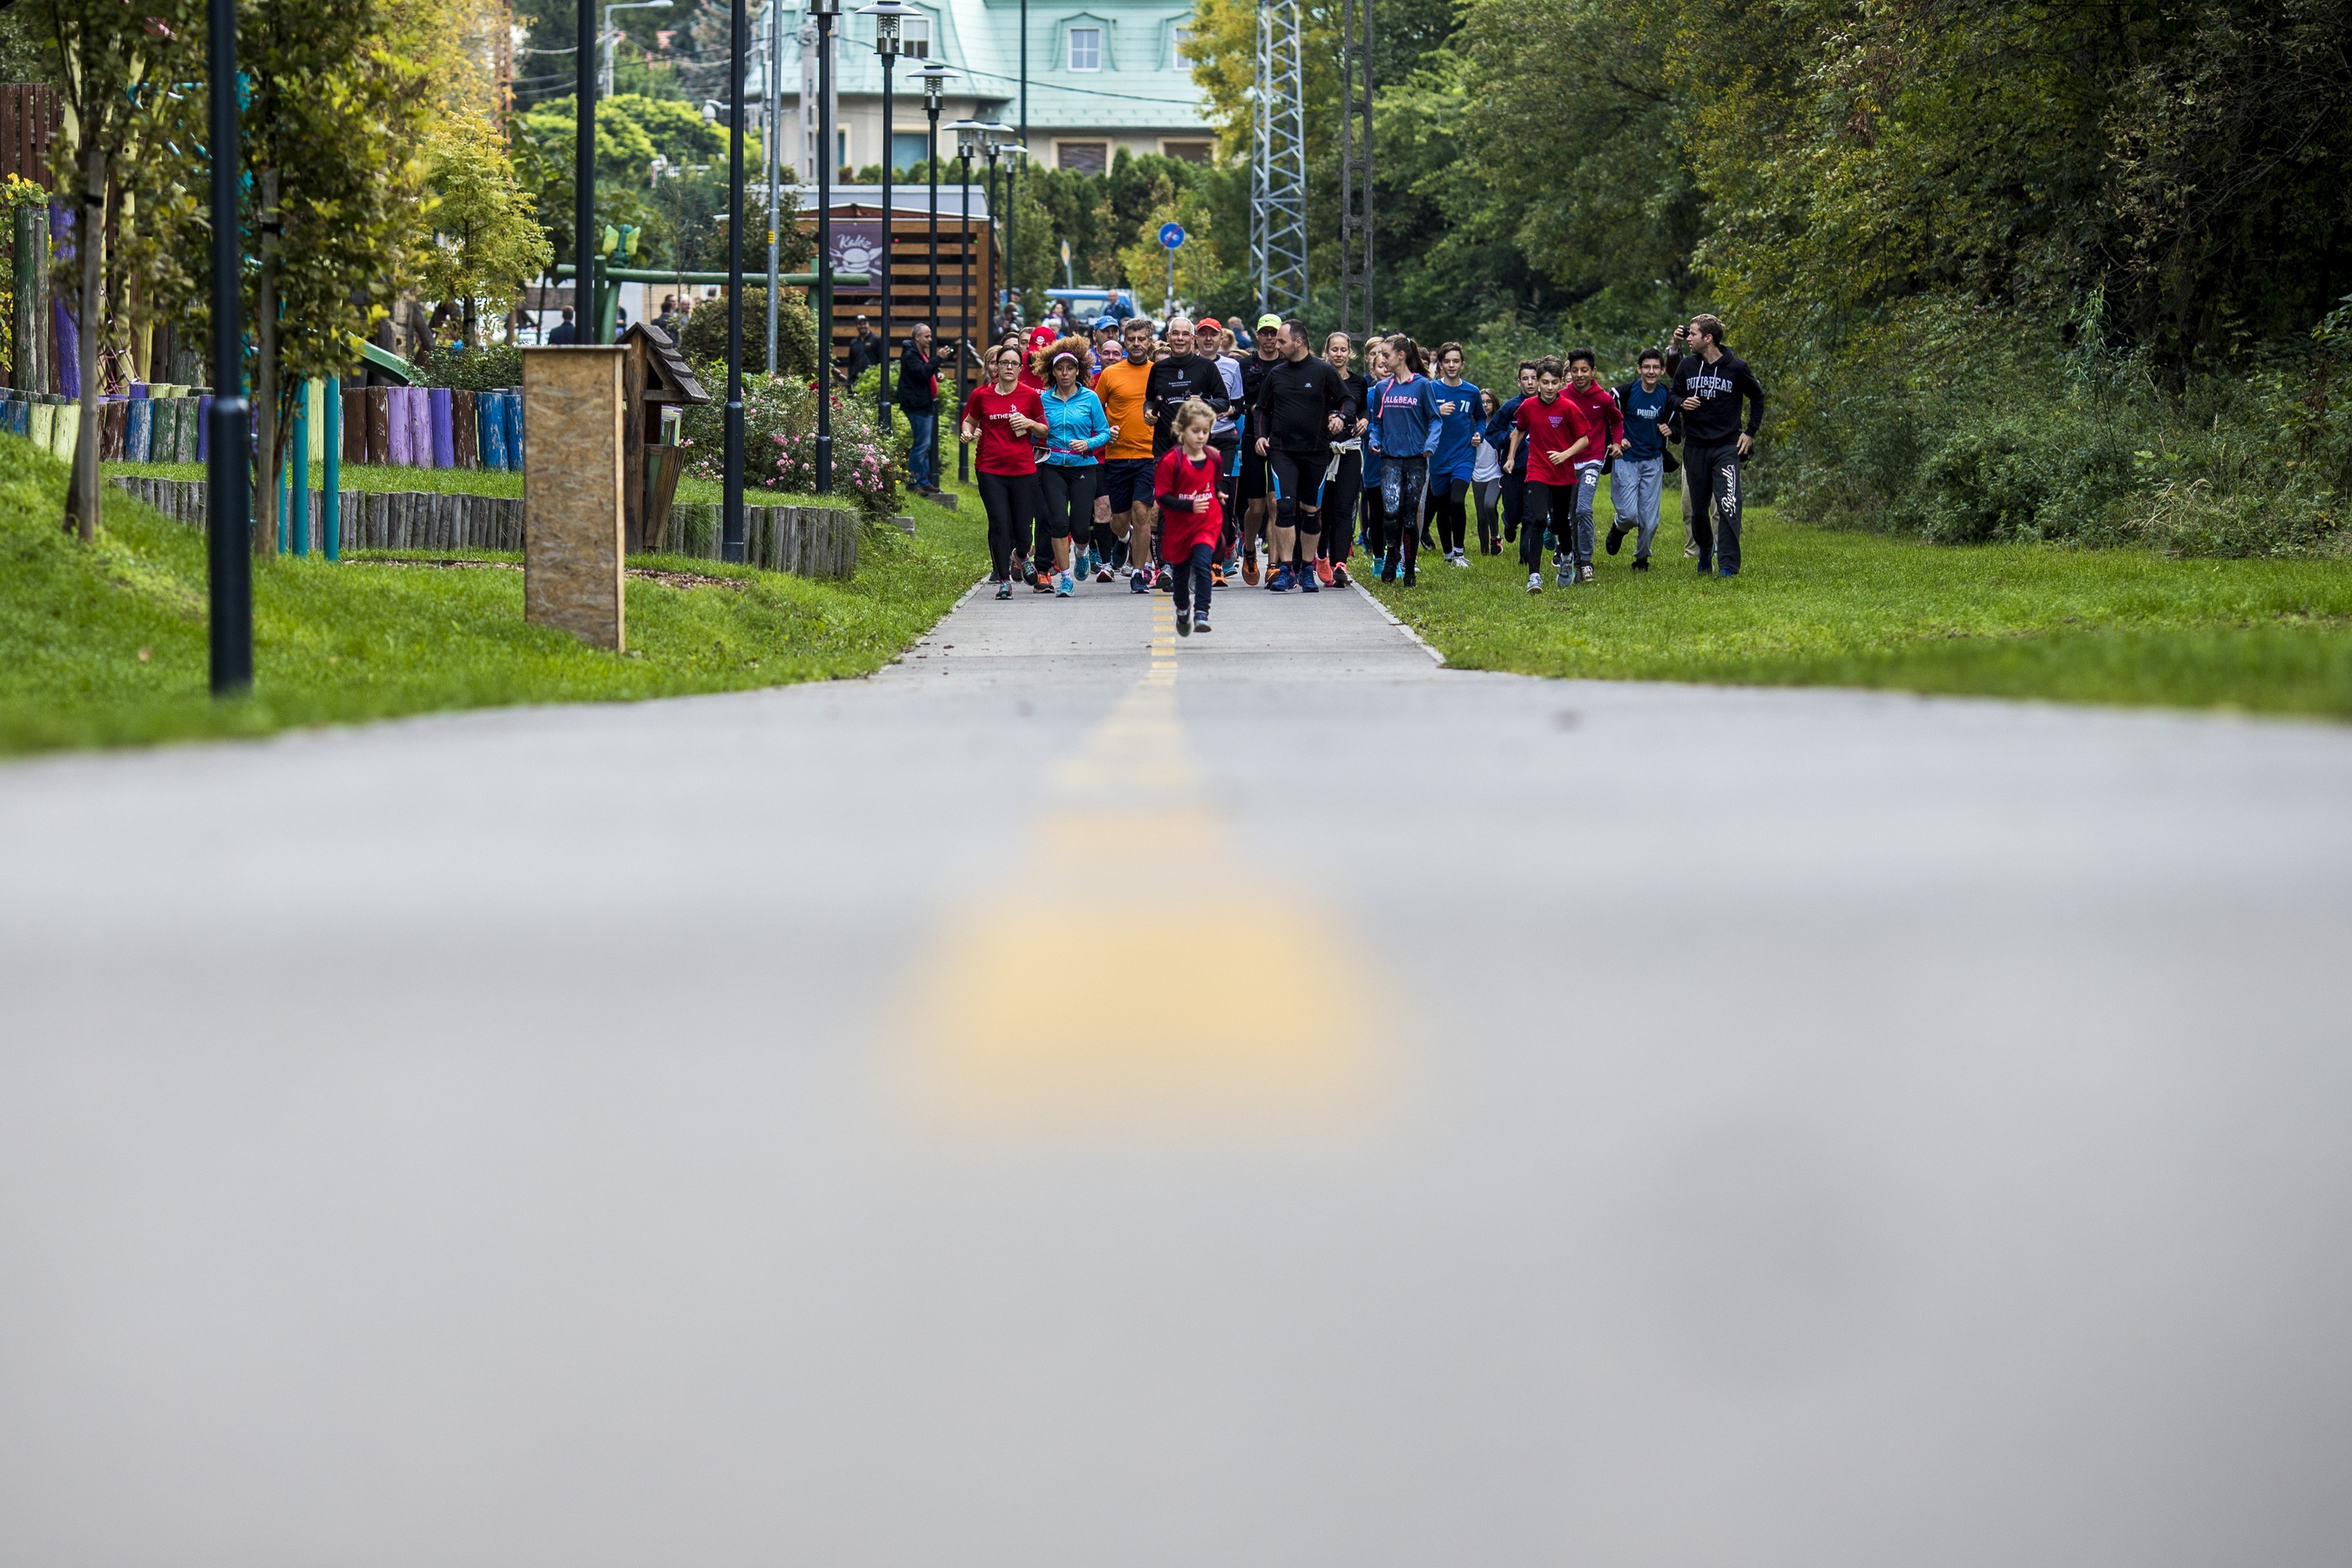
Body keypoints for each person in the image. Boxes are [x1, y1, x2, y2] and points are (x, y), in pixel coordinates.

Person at [1669, 314, 1765, 577]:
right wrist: (1681, 403)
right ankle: (1705, 549)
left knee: (1729, 504)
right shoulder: (1687, 365)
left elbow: (1757, 397)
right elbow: (1672, 394)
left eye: (1693, 334)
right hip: (1695, 447)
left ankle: (1728, 566)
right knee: (1698, 512)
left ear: (1708, 338)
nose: (1688, 338)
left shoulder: (1736, 367)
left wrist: (1750, 432)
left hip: (1725, 447)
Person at [960, 342, 1048, 599]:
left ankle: (1021, 556)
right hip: (990, 469)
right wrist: (967, 432)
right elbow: (969, 420)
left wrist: (1029, 422)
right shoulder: (981, 395)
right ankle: (1005, 582)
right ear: (996, 367)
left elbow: (1044, 429)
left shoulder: (1030, 396)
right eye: (1004, 363)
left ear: (1020, 369)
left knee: (1023, 530)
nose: (1009, 367)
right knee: (999, 524)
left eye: (1014, 363)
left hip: (1023, 470)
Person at [1504, 356, 1597, 593]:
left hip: (1563, 473)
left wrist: (1565, 455)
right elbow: (1519, 430)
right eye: (1545, 382)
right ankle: (1534, 576)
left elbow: (1584, 439)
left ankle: (1566, 559)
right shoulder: (1528, 406)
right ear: (1537, 382)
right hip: (1537, 470)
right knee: (1537, 519)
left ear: (1560, 383)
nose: (1549, 387)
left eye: (1554, 383)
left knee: (1560, 524)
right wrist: (1511, 457)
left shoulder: (1568, 408)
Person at [1035, 340, 1111, 597]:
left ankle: (1082, 551)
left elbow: (1104, 433)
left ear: (1078, 371)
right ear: (1053, 372)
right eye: (1060, 369)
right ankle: (1065, 580)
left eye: (1070, 368)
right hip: (1053, 466)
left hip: (1083, 467)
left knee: (1080, 528)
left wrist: (1088, 443)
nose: (1065, 373)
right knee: (1058, 523)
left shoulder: (1090, 397)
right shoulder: (1045, 400)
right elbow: (1036, 433)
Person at [1367, 335, 1443, 585]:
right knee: (1390, 511)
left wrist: (1430, 444)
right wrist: (1374, 440)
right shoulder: (1382, 388)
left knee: (1410, 516)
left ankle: (1409, 569)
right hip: (1389, 458)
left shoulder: (1422, 385)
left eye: (1386, 355)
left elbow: (1435, 419)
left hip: (1415, 459)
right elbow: (1377, 424)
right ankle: (1391, 554)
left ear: (1401, 356)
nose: (1382, 360)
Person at [1093, 317, 1161, 591]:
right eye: (1131, 339)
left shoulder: (1158, 372)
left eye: (1141, 339)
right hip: (1118, 456)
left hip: (1149, 455)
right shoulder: (1110, 374)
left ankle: (1138, 571)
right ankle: (1124, 539)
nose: (1136, 344)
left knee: (1142, 512)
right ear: (1124, 340)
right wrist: (1103, 432)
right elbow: (1094, 409)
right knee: (1120, 520)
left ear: (1149, 341)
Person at [1155, 397, 1224, 635]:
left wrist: (1218, 493)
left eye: (1206, 431)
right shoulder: (1170, 461)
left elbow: (1213, 482)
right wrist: (1189, 505)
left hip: (1207, 522)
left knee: (1204, 564)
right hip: (1180, 526)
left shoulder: (1214, 457)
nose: (1201, 436)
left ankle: (1202, 613)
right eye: (1195, 431)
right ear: (1181, 429)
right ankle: (1183, 610)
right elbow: (1162, 497)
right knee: (1181, 573)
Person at [1605, 347, 1675, 570]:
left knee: (1650, 520)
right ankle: (1619, 527)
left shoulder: (1667, 395)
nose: (1651, 371)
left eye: (1655, 367)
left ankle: (1642, 558)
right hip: (1627, 459)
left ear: (1662, 370)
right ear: (1639, 369)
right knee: (1629, 514)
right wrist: (1618, 439)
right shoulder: (1624, 393)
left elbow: (1678, 422)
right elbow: (1607, 419)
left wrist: (1671, 430)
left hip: (1653, 461)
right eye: (1646, 367)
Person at [1558, 348, 1623, 584]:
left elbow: (1617, 420)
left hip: (1592, 460)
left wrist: (1617, 442)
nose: (1579, 375)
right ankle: (1575, 558)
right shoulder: (1562, 396)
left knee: (1583, 509)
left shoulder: (1602, 398)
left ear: (1593, 371)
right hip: (1567, 461)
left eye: (1584, 370)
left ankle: (1586, 562)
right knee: (1570, 515)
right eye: (1574, 370)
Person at [1318, 330, 1373, 587]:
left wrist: (1365, 420)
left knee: (1344, 506)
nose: (1339, 354)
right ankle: (1321, 555)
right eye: (1334, 349)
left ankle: (1340, 563)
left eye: (1343, 350)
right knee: (1323, 509)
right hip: (1323, 451)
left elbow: (1362, 407)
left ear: (1350, 353)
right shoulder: (1319, 377)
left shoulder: (1359, 382)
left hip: (1349, 450)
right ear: (1326, 352)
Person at [1428, 344, 1483, 566]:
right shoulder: (1431, 390)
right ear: (1440, 364)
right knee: (1442, 507)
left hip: (1464, 455)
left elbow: (1480, 417)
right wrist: (1437, 411)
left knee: (1457, 500)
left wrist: (1479, 433)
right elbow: (1419, 417)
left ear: (1462, 364)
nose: (1451, 365)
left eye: (1456, 361)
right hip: (1438, 456)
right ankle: (1448, 554)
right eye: (1447, 361)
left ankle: (1460, 553)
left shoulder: (1472, 391)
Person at [1494, 362, 1537, 544]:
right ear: (1519, 382)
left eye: (1534, 378)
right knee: (1513, 514)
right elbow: (1492, 433)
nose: (1530, 382)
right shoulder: (1511, 407)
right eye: (1525, 379)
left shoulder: (1546, 406)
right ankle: (1510, 523)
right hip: (1513, 470)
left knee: (1530, 516)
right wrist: (1507, 437)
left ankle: (1526, 555)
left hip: (1535, 470)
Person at [897, 322, 941, 496]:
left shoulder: (920, 353)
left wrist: (936, 373)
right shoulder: (910, 354)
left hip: (924, 404)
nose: (930, 339)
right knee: (921, 445)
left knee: (925, 444)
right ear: (917, 337)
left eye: (930, 336)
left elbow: (926, 371)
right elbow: (922, 373)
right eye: (926, 336)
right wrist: (939, 359)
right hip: (916, 405)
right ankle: (912, 482)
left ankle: (922, 480)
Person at [1471, 386, 1505, 556]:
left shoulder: (1499, 424)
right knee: (1481, 514)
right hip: (1477, 473)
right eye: (1482, 402)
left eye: (1489, 402)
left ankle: (1496, 537)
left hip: (1495, 473)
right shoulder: (1472, 425)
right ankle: (1485, 550)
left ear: (1494, 403)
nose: (1485, 405)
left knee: (1489, 505)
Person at [845, 317, 881, 382]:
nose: (863, 326)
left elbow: (881, 359)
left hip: (872, 378)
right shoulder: (853, 342)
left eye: (864, 324)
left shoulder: (876, 340)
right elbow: (851, 362)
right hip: (856, 378)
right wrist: (850, 376)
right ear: (856, 326)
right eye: (860, 324)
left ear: (868, 325)